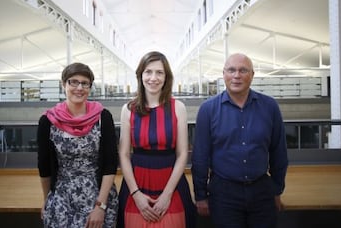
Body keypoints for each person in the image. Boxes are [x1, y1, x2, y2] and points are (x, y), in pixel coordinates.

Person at [191, 53, 288, 228]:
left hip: (262, 191)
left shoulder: (270, 106)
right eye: (231, 70)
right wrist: (200, 195)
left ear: (252, 75)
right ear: (223, 74)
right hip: (223, 193)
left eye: (243, 70)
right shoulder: (208, 109)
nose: (237, 75)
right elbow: (200, 157)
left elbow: (278, 152)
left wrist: (276, 189)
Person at [117, 51, 196, 227]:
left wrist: (167, 194)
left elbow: (183, 153)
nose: (153, 78)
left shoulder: (178, 108)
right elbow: (123, 154)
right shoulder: (128, 109)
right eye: (148, 72)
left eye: (159, 72)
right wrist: (136, 194)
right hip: (137, 183)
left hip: (171, 183)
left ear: (166, 77)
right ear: (140, 75)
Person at [37, 62, 119, 228]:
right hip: (62, 198)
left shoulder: (103, 117)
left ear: (90, 87)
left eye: (84, 83)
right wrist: (47, 199)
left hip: (98, 196)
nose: (79, 88)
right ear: (64, 84)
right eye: (73, 82)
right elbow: (44, 166)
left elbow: (110, 165)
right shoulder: (48, 121)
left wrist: (100, 206)